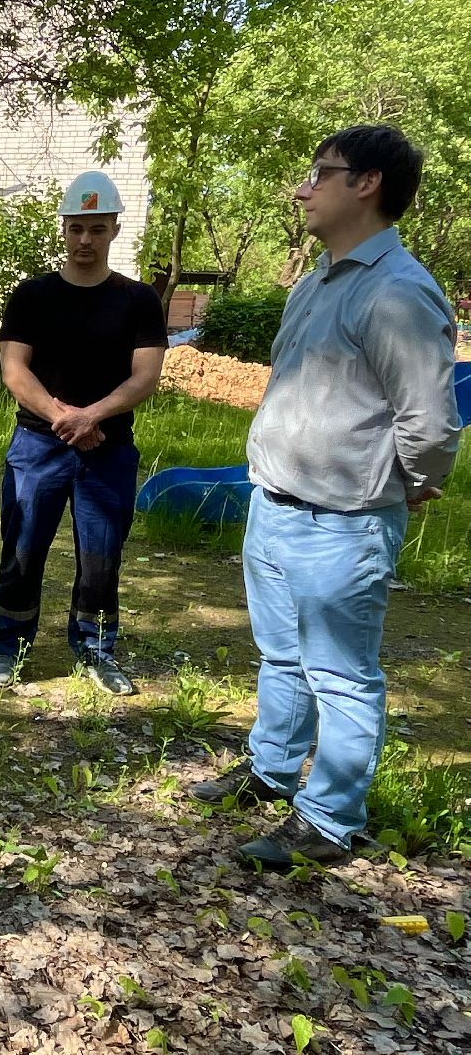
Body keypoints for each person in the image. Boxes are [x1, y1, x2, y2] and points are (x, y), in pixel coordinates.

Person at [188, 125, 460, 868]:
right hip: (273, 505)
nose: (302, 189)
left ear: (367, 184)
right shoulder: (314, 282)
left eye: (320, 173)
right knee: (280, 656)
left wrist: (405, 484)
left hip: (343, 525)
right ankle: (272, 772)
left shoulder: (400, 293)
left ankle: (331, 820)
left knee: (341, 677)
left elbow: (430, 423)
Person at [0, 170, 167, 696]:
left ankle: (96, 651)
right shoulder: (32, 296)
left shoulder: (138, 300)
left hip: (108, 448)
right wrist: (66, 418)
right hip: (38, 445)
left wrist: (93, 417)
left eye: (97, 229)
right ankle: (9, 648)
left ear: (114, 231)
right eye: (77, 228)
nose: (86, 239)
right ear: (63, 229)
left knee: (102, 557)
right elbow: (15, 370)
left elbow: (145, 376)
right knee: (22, 548)